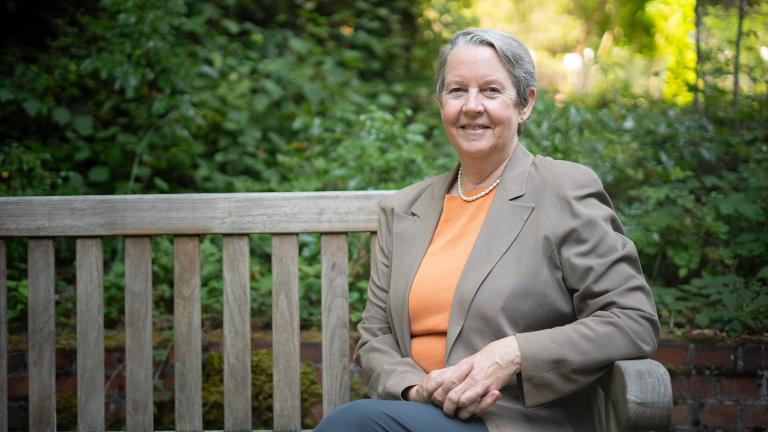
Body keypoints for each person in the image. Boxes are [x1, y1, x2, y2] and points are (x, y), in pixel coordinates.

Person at [315, 28, 660, 432]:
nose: (472, 106)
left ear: (525, 103)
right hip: (414, 414)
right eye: (457, 90)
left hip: (513, 420)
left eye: (491, 91)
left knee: (350, 425)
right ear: (441, 103)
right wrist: (415, 388)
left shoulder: (563, 190)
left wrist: (513, 354)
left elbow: (632, 319)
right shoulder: (405, 209)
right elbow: (375, 335)